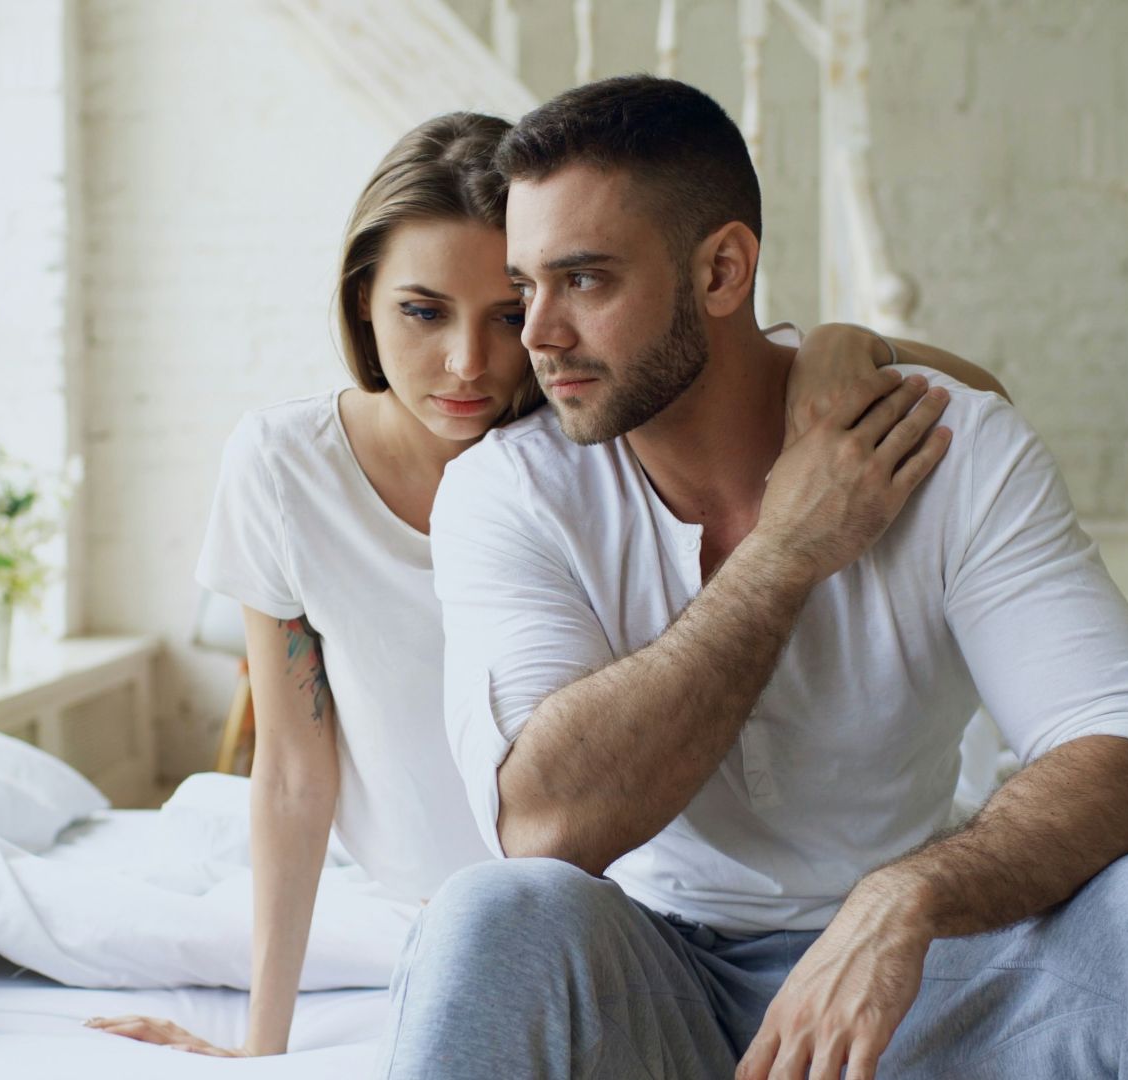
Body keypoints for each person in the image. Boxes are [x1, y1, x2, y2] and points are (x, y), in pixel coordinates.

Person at [378, 77, 1128, 1079]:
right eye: (528, 284)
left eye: (583, 280)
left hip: (934, 980)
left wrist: (907, 900)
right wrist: (786, 553)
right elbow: (544, 824)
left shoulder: (950, 447)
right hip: (660, 983)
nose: (536, 335)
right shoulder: (510, 490)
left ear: (722, 271)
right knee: (495, 910)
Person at [83, 112, 1003, 1058]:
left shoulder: (598, 442)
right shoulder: (284, 468)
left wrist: (854, 346)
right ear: (363, 300)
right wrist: (261, 1045)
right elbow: (289, 771)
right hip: (437, 904)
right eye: (422, 310)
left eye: (508, 313)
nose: (469, 364)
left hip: (616, 902)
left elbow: (978, 406)